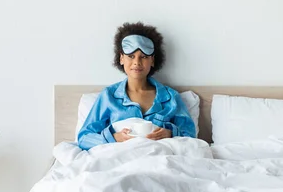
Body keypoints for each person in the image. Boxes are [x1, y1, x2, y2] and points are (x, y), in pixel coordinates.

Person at [77, 22, 196, 151]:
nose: (137, 62)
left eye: (143, 57)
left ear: (153, 60)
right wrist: (113, 137)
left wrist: (170, 133)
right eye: (131, 56)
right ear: (121, 58)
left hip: (159, 160)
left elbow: (190, 137)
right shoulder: (108, 96)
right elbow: (84, 138)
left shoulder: (170, 97)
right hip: (119, 160)